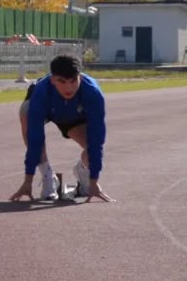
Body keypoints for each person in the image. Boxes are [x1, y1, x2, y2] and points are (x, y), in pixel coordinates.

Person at [9, 53, 113, 203]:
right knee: (25, 112)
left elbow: (97, 141)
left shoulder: (93, 94)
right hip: (47, 110)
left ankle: (82, 171)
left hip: (74, 117)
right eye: (62, 81)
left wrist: (93, 181)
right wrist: (28, 181)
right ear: (52, 79)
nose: (68, 87)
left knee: (93, 150)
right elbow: (35, 139)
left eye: (73, 81)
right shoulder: (41, 91)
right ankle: (48, 176)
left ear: (80, 77)